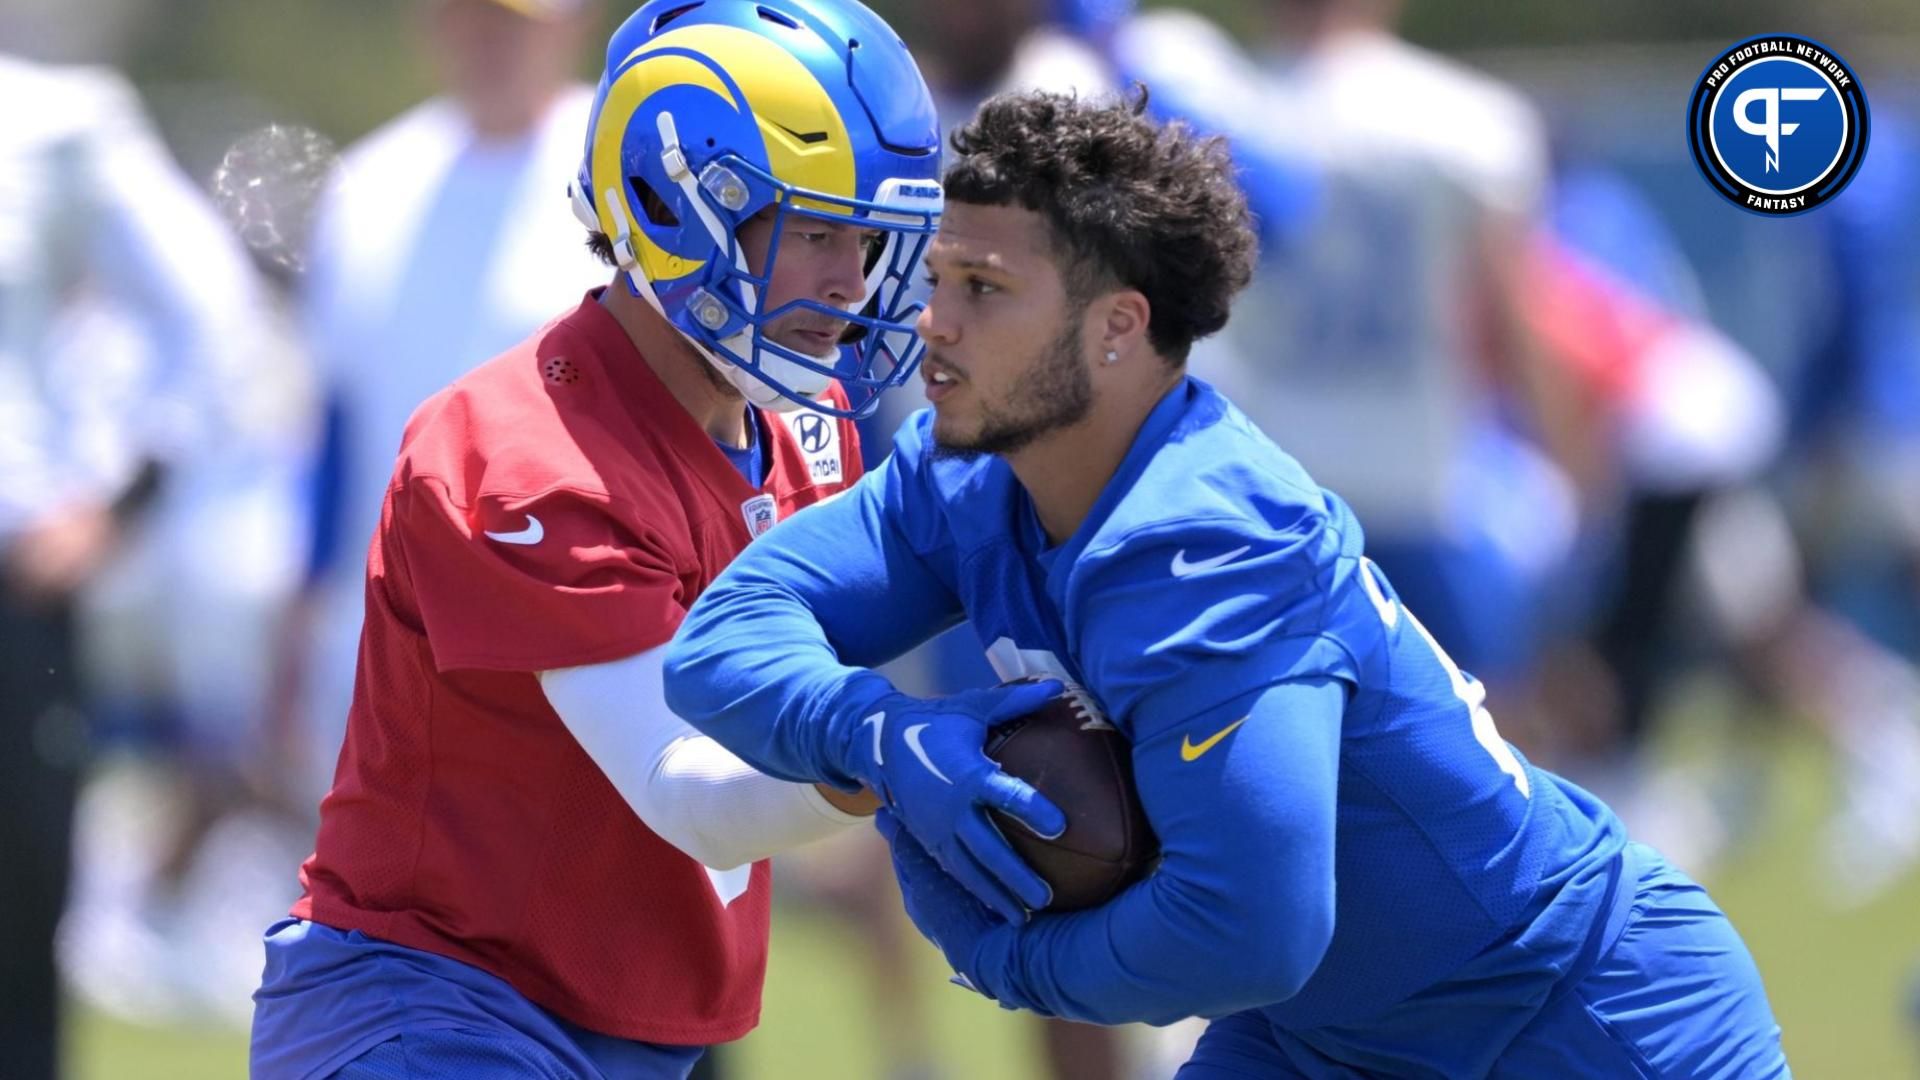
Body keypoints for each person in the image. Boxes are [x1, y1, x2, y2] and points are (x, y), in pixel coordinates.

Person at [662, 89, 1791, 1077]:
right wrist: (875, 735)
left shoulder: (1203, 541)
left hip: (1570, 1023)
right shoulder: (963, 472)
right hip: (1326, 1044)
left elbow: (1247, 930)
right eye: (941, 276)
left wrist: (999, 955)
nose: (932, 322)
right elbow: (724, 638)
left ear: (1117, 327)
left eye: (985, 289)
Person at [248, 1, 945, 1076]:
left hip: (623, 1019)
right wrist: (908, 751)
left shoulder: (800, 423)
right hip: (434, 1009)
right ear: (673, 206)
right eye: (813, 230)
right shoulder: (523, 455)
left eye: (866, 239)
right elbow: (690, 788)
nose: (851, 284)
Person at [0, 52, 273, 1077]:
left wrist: (119, 502)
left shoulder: (56, 120)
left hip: (14, 589)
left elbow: (212, 315)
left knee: (14, 955)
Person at [285, 0, 607, 807]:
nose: (487, 38)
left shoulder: (618, 170)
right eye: (467, 14)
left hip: (575, 631)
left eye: (513, 19)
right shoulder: (368, 184)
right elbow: (337, 429)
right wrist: (290, 630)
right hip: (379, 644)